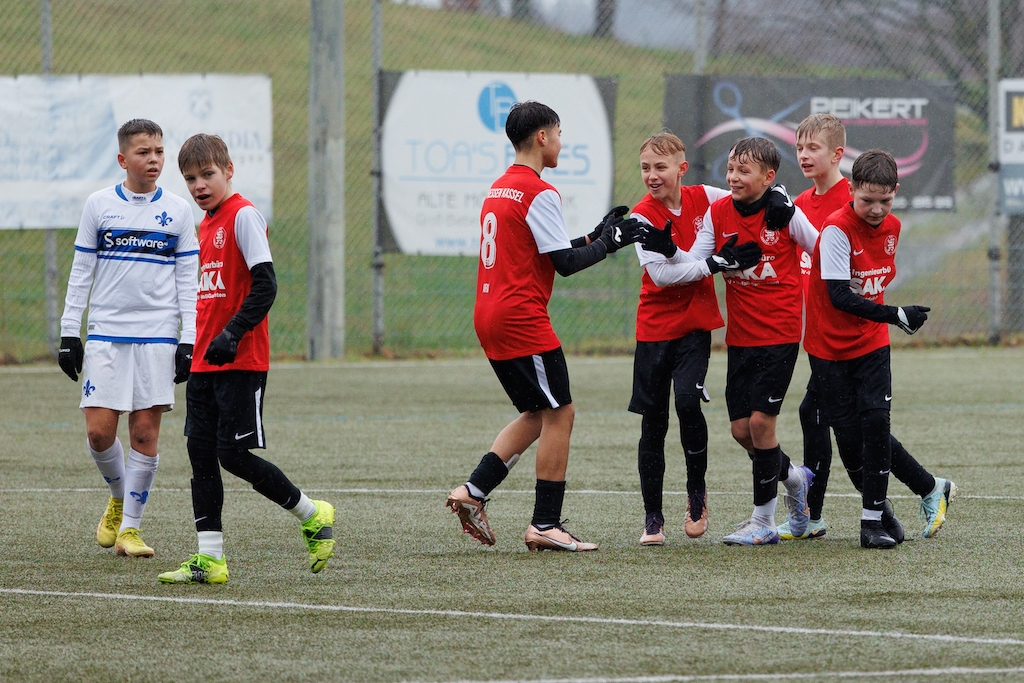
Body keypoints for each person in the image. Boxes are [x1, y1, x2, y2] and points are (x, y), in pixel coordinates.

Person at [446, 100, 642, 552]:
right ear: (542, 137)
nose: (560, 142)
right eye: (558, 133)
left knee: (537, 413)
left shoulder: (501, 187)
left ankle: (473, 491)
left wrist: (597, 236)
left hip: (490, 314)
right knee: (561, 413)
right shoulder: (539, 191)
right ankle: (545, 524)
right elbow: (567, 264)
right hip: (521, 318)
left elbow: (548, 251)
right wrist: (610, 243)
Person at [157, 134, 335, 584]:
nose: (199, 186)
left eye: (207, 175)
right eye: (190, 179)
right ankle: (210, 559)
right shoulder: (206, 225)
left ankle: (312, 513)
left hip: (241, 361)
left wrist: (233, 333)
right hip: (206, 362)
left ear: (229, 170)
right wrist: (191, 347)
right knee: (200, 454)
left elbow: (266, 285)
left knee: (232, 455)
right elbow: (207, 297)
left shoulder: (243, 216)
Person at [639, 136, 817, 546]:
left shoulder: (784, 214)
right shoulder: (718, 212)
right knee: (740, 430)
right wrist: (670, 250)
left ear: (767, 177)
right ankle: (795, 478)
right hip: (740, 336)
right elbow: (697, 261)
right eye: (731, 169)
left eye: (743, 171)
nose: (733, 177)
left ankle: (763, 522)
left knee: (760, 424)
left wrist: (784, 200)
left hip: (780, 334)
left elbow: (822, 246)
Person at [58, 118, 198, 559]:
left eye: (159, 151)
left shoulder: (178, 211)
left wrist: (189, 338)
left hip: (158, 337)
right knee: (99, 433)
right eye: (143, 152)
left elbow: (188, 280)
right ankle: (119, 498)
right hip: (106, 334)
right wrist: (69, 330)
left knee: (143, 433)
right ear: (123, 159)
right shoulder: (99, 205)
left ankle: (131, 530)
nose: (154, 159)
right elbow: (82, 270)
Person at [803, 149, 956, 549]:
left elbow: (873, 284)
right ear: (851, 189)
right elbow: (839, 296)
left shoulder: (893, 226)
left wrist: (889, 317)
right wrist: (895, 314)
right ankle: (921, 491)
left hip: (871, 344)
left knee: (875, 425)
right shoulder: (837, 229)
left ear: (896, 192)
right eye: (866, 200)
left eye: (884, 200)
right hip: (829, 349)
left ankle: (870, 522)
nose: (875, 209)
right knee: (850, 439)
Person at [627, 132, 757, 545]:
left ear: (682, 168)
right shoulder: (641, 216)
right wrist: (713, 264)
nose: (652, 175)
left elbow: (748, 196)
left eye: (660, 167)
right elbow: (662, 276)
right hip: (654, 329)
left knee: (687, 403)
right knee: (653, 422)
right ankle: (653, 518)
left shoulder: (708, 198)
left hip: (695, 327)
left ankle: (696, 496)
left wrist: (775, 199)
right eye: (645, 168)